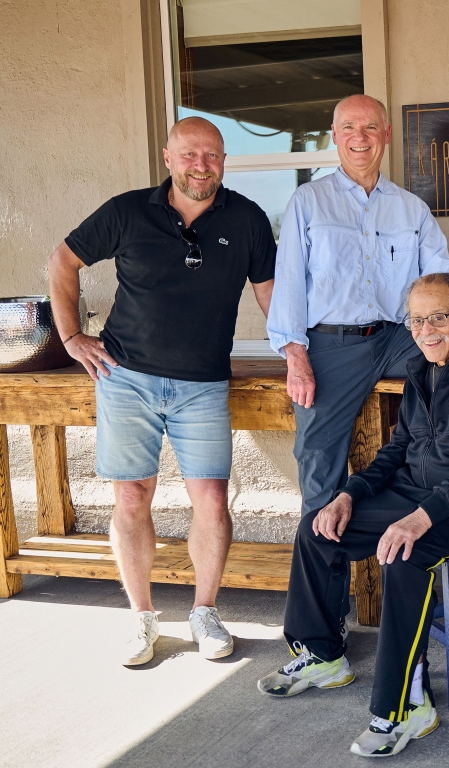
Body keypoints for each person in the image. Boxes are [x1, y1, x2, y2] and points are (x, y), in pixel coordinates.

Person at [258, 273, 449, 758]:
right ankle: (321, 654)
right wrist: (349, 495)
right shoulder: (419, 367)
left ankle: (406, 707)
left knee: (404, 556)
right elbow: (398, 449)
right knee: (318, 529)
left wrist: (421, 518)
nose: (427, 330)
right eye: (417, 319)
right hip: (412, 491)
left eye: (438, 317)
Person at [46, 117, 276, 665]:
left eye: (213, 155)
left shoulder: (247, 219)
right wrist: (72, 336)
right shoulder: (128, 211)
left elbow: (272, 294)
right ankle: (142, 619)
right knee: (131, 497)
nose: (202, 164)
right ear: (168, 158)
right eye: (191, 154)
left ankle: (205, 613)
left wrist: (295, 352)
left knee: (212, 501)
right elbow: (63, 260)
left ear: (224, 160)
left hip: (203, 384)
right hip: (125, 378)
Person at [266, 94, 449, 520]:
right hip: (331, 345)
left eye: (370, 128)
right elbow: (287, 282)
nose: (360, 138)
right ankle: (324, 572)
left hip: (398, 337)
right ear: (335, 136)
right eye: (349, 129)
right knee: (318, 463)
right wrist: (294, 353)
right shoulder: (309, 201)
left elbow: (442, 272)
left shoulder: (409, 207)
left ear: (387, 135)